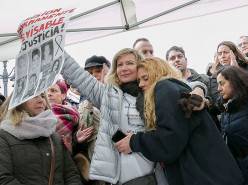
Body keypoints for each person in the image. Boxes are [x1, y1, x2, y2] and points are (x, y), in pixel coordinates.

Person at [62, 48, 205, 184]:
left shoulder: (155, 91)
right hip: (126, 176)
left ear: (141, 66)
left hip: (158, 173)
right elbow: (77, 74)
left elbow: (183, 84)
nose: (124, 68)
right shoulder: (106, 95)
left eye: (129, 63)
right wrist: (55, 50)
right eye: (119, 64)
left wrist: (199, 90)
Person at [115, 57, 244, 185]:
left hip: (204, 176)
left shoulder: (163, 87)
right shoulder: (174, 88)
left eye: (146, 78)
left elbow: (169, 141)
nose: (141, 84)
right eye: (139, 80)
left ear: (158, 73)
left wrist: (133, 141)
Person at [0, 92, 81, 184]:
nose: (41, 100)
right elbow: (3, 177)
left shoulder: (54, 137)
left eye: (42, 96)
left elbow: (71, 174)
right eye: (34, 96)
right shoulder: (4, 136)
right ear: (19, 100)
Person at [73, 55, 110, 184]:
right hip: (96, 168)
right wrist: (90, 103)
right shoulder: (84, 105)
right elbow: (83, 136)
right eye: (90, 73)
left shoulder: (120, 96)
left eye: (98, 71)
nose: (94, 76)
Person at [210, 41, 248, 111]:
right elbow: (218, 101)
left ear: (235, 54)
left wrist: (237, 71)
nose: (222, 56)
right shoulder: (215, 77)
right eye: (219, 54)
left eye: (225, 52)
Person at [48, 79, 80, 155]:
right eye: (46, 91)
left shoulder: (73, 113)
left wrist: (75, 141)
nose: (49, 94)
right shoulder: (38, 113)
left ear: (63, 95)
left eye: (53, 91)